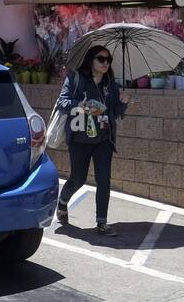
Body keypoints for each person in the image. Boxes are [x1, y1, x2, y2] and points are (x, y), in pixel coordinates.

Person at [54, 45, 129, 237]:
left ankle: (102, 222)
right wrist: (80, 104)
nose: (106, 63)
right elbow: (62, 103)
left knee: (104, 180)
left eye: (108, 60)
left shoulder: (111, 84)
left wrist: (123, 102)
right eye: (101, 59)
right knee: (78, 179)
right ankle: (62, 202)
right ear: (91, 61)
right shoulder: (76, 79)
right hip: (80, 138)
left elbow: (116, 113)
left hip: (103, 139)